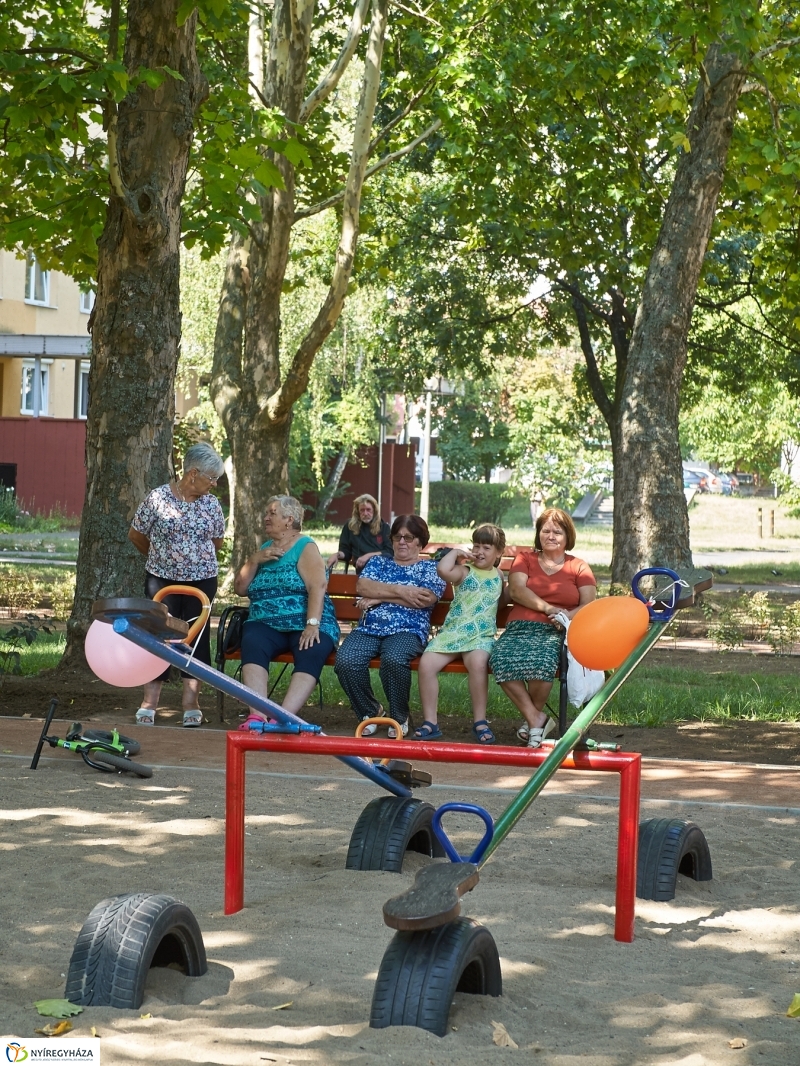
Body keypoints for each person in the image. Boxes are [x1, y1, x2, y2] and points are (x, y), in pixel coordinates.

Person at [128, 441, 226, 727]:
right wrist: (162, 558)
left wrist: (192, 562)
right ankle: (149, 703)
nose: (215, 484)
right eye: (212, 478)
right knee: (158, 634)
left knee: (196, 638)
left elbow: (216, 542)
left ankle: (191, 704)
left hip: (202, 581)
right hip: (161, 579)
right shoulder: (157, 498)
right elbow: (136, 535)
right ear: (192, 473)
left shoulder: (211, 504)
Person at [489, 507, 596, 748]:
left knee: (543, 664)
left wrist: (566, 616)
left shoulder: (578, 566)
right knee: (500, 658)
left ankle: (533, 722)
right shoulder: (524, 559)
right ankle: (537, 719)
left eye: (557, 532)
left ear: (568, 537)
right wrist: (549, 608)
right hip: (519, 627)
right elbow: (516, 590)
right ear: (538, 534)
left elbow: (589, 604)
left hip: (556, 630)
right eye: (545, 530)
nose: (550, 536)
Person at [334, 514, 445, 737]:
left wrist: (380, 596)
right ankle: (370, 711)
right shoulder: (378, 562)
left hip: (408, 629)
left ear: (420, 542)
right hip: (370, 628)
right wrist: (402, 591)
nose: (402, 542)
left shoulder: (431, 568)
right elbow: (364, 587)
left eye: (408, 537)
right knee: (346, 659)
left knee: (393, 659)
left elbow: (426, 598)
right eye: (397, 537)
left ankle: (398, 717)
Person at [234, 496, 340, 724]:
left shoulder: (305, 546)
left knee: (312, 648)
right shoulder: (264, 549)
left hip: (304, 621)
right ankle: (258, 715)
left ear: (289, 519)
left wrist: (312, 625)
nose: (266, 518)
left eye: (272, 513)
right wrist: (253, 561)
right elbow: (240, 589)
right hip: (266, 622)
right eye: (267, 513)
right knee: (252, 640)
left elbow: (317, 585)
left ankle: (284, 717)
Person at [415, 524, 508, 744]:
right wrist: (455, 553)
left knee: (477, 663)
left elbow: (501, 601)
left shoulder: (499, 574)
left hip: (480, 636)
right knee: (426, 664)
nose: (480, 551)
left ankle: (480, 721)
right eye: (476, 546)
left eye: (487, 547)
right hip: (454, 634)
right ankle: (431, 722)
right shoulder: (465, 571)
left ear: (499, 553)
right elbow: (442, 571)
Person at [327, 493, 392, 573]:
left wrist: (368, 556)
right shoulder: (350, 527)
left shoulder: (384, 527)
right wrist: (337, 555)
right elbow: (346, 552)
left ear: (374, 511)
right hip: (362, 571)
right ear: (357, 511)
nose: (365, 513)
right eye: (362, 510)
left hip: (382, 569)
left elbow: (389, 551)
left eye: (368, 510)